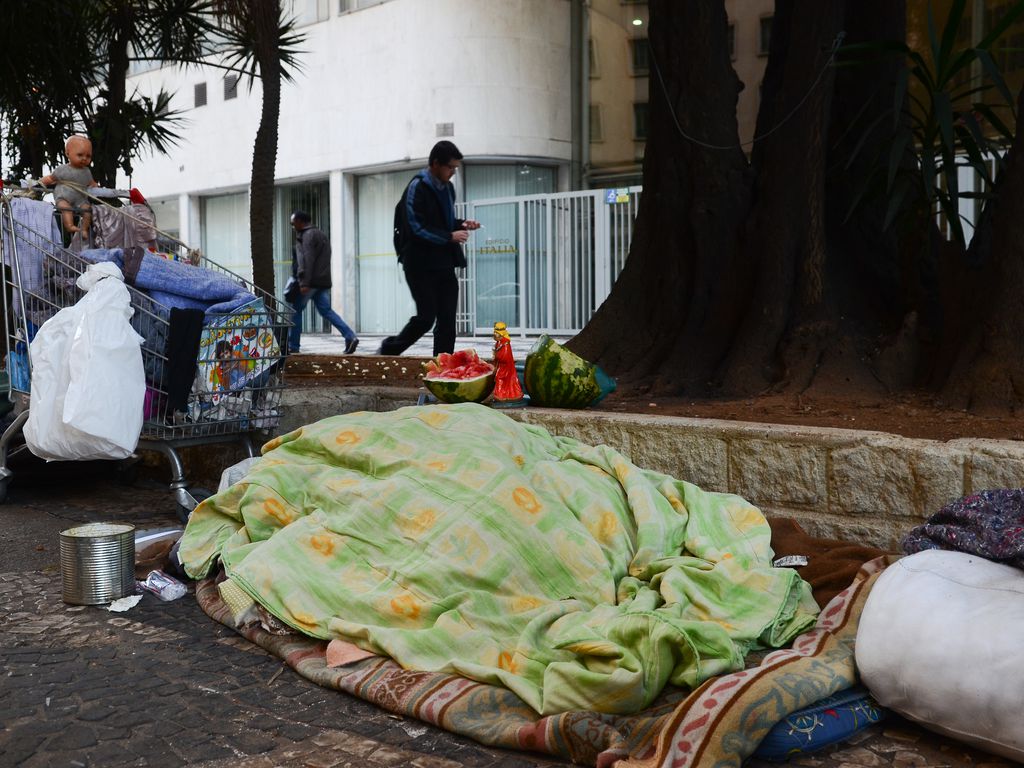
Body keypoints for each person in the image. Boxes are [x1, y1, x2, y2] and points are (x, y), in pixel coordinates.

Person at [378, 140, 480, 356]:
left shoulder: (448, 188)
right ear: (435, 164)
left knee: (447, 319)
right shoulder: (418, 186)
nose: (453, 172)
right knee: (426, 317)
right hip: (419, 264)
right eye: (450, 167)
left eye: (455, 168)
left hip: (443, 263)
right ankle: (388, 350)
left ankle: (443, 366)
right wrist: (449, 236)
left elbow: (443, 222)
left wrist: (461, 224)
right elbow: (416, 227)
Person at [287, 210, 359, 355]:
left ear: (300, 221)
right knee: (326, 311)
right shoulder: (321, 234)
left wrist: (304, 282)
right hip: (322, 282)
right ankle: (350, 336)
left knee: (295, 311)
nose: (293, 226)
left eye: (293, 223)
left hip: (310, 282)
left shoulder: (306, 236)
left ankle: (293, 347)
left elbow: (307, 260)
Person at [40, 135, 99, 234]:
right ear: (68, 153)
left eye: (88, 156)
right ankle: (70, 226)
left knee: (87, 210)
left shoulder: (87, 171)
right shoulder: (63, 169)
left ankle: (84, 229)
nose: (84, 158)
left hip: (80, 199)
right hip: (63, 197)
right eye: (80, 155)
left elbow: (90, 182)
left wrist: (95, 185)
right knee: (66, 209)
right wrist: (40, 182)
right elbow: (50, 178)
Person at [492, 321, 523, 401]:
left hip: (505, 367)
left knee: (500, 378)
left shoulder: (505, 344)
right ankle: (500, 394)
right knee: (498, 378)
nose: (495, 334)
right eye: (495, 332)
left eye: (497, 333)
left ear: (501, 333)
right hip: (501, 366)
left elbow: (505, 357)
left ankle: (500, 395)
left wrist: (496, 355)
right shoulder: (499, 343)